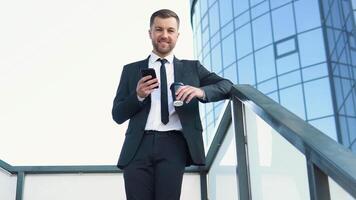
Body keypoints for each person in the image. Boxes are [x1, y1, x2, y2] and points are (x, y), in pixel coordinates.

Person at [112, 9, 232, 200]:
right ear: (150, 33)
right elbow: (117, 114)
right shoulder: (131, 70)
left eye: (170, 30)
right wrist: (138, 95)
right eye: (159, 29)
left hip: (174, 145)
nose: (164, 35)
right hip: (137, 147)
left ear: (177, 35)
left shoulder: (192, 68)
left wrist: (201, 91)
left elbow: (227, 86)